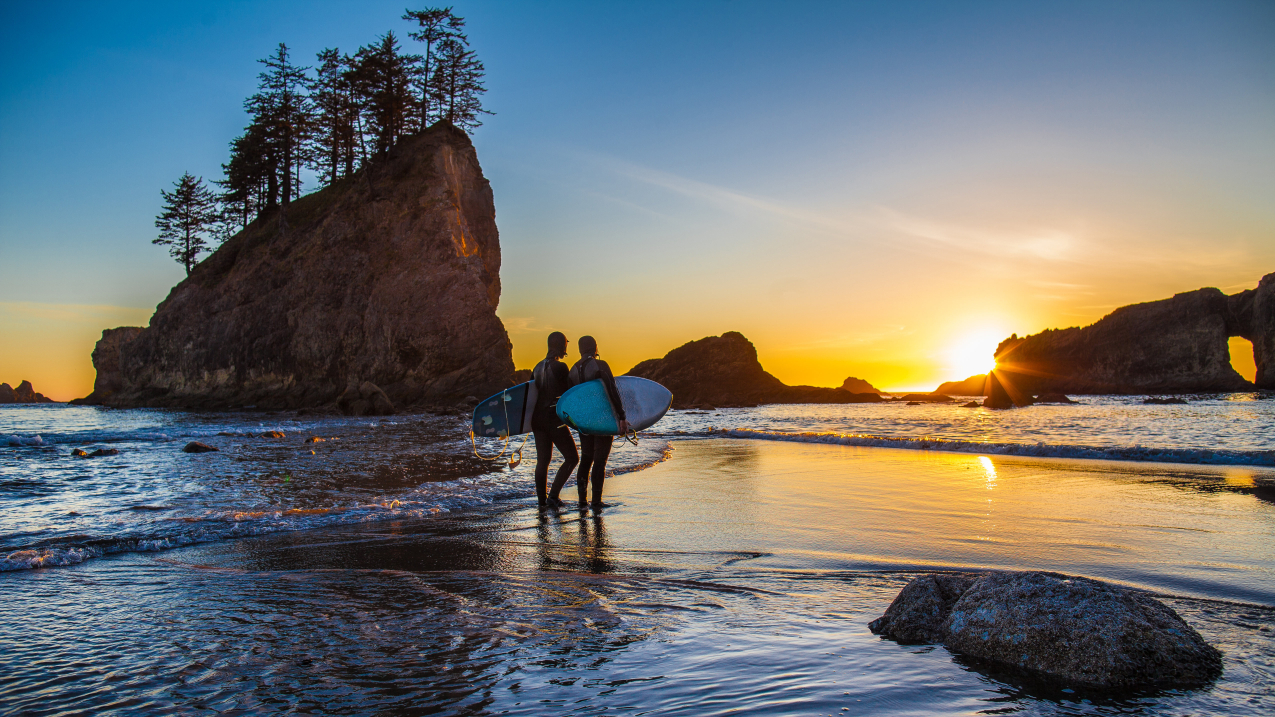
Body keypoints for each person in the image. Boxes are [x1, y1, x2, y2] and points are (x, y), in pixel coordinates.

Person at [569, 335, 629, 509]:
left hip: (583, 420)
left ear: (580, 349)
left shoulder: (573, 370)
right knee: (600, 460)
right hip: (601, 418)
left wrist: (575, 422)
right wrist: (622, 416)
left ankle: (582, 502)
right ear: (595, 348)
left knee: (586, 458)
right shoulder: (600, 365)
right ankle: (596, 502)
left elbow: (571, 399)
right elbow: (612, 389)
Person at [531, 331, 578, 508]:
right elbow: (569, 394)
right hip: (553, 419)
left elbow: (530, 396)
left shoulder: (536, 367)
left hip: (537, 419)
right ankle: (553, 496)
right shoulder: (560, 367)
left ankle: (541, 502)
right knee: (572, 458)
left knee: (542, 460)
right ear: (561, 345)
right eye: (566, 343)